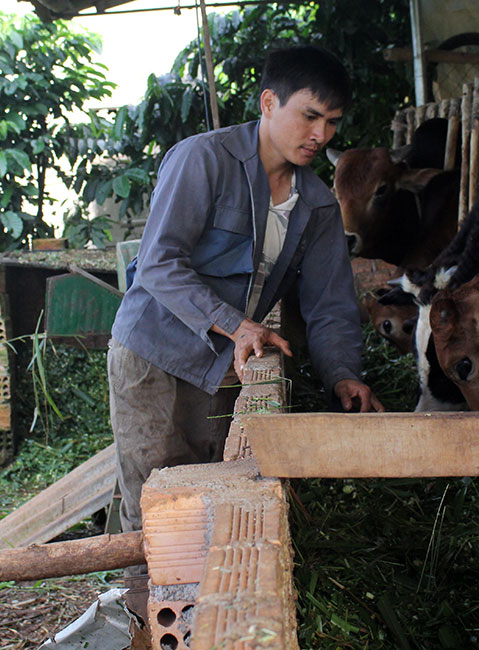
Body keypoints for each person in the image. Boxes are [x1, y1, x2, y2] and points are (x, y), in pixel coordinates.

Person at [107, 44, 384, 631]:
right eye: (309, 115)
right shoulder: (202, 160)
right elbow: (157, 265)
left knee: (209, 503)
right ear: (268, 102)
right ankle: (145, 628)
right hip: (153, 355)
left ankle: (206, 627)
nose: (320, 134)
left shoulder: (316, 205)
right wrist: (235, 322)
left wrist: (344, 375)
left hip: (222, 366)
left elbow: (331, 305)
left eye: (332, 123)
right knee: (156, 506)